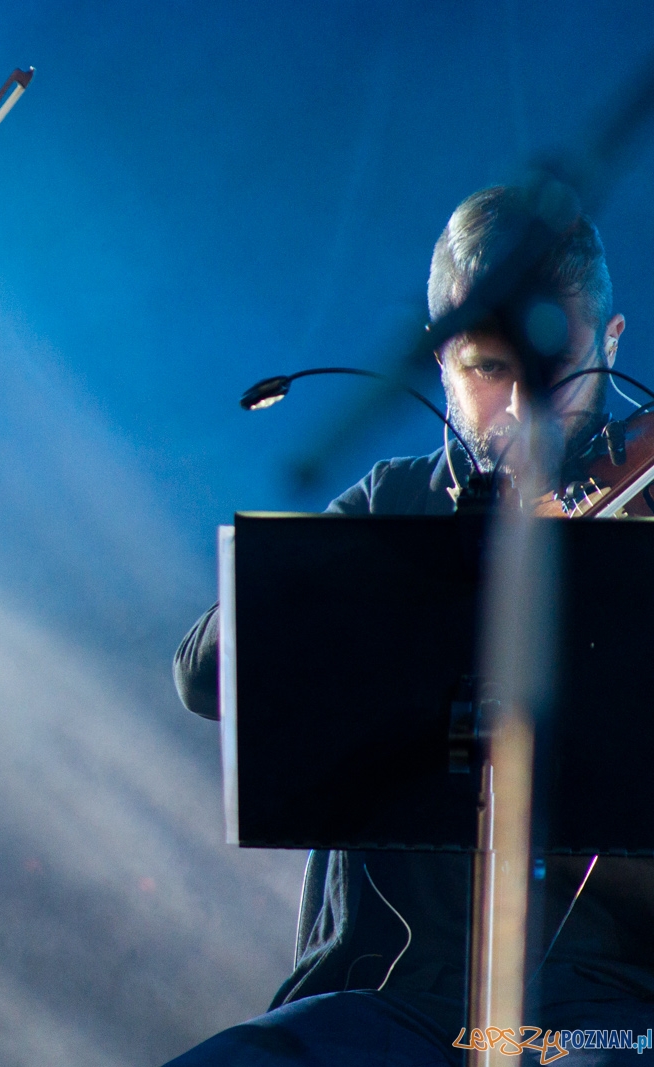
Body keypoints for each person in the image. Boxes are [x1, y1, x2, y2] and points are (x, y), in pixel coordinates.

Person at [168, 186, 654, 1066]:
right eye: (488, 370)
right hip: (379, 995)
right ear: (441, 364)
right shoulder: (393, 503)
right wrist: (437, 576)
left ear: (612, 343)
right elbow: (202, 671)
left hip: (597, 1003)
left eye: (555, 368)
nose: (522, 409)